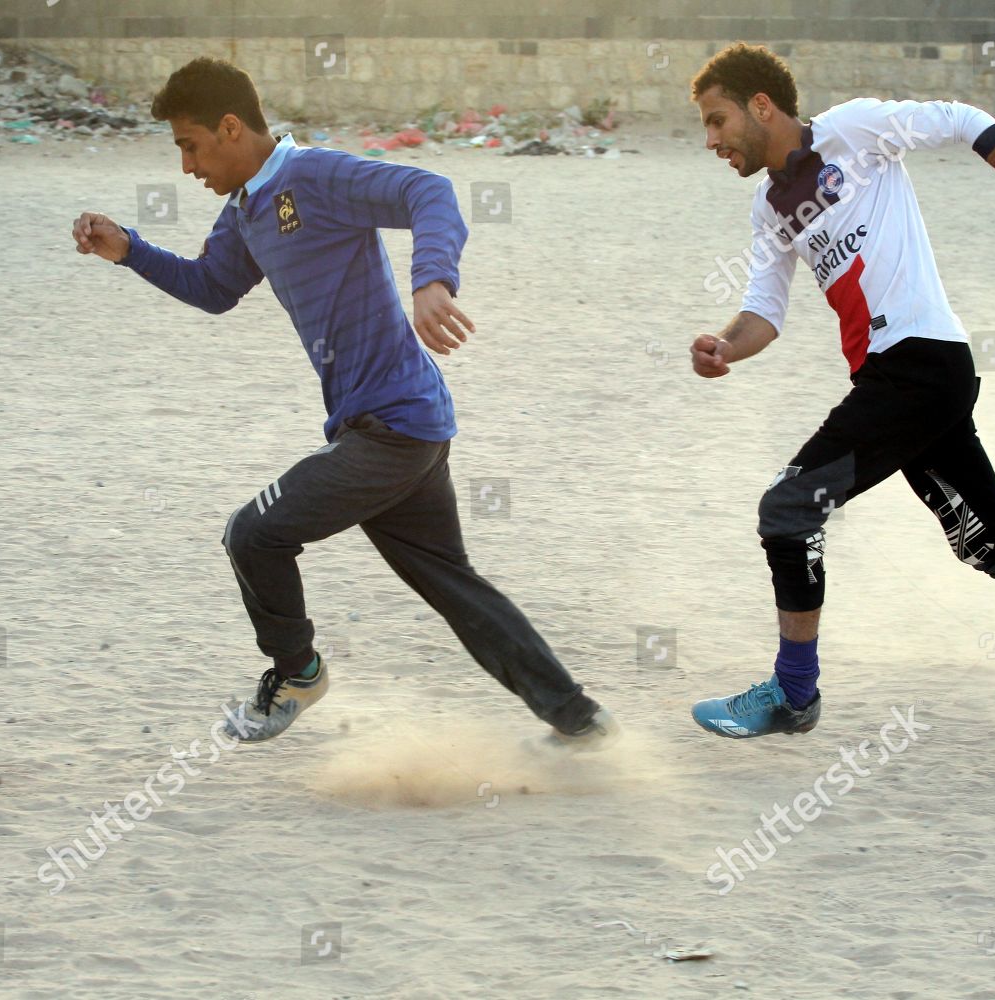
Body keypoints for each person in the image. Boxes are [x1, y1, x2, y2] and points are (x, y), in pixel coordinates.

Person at [70, 57, 617, 747]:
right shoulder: (245, 212)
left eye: (189, 144)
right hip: (401, 424)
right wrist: (129, 250)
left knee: (253, 534)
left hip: (391, 428)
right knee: (453, 585)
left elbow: (431, 190)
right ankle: (580, 720)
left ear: (230, 128)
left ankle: (297, 674)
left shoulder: (314, 177)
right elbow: (212, 287)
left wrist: (432, 280)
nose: (186, 166)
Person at [683, 42, 995, 739]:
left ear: (762, 106)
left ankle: (795, 695)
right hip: (906, 382)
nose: (711, 141)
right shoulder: (770, 208)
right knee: (989, 542)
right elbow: (765, 308)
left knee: (789, 509)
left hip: (919, 362)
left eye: (717, 120)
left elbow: (961, 118)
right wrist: (727, 344)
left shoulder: (852, 130)